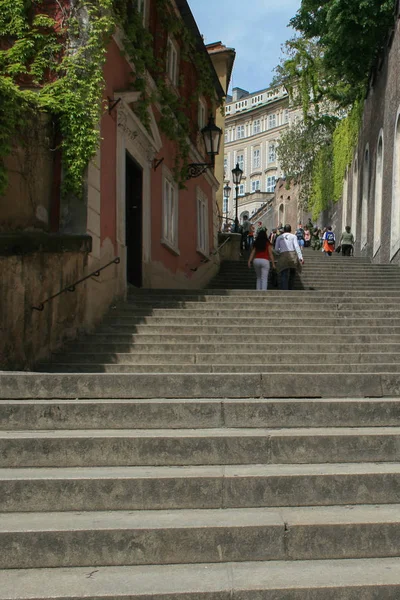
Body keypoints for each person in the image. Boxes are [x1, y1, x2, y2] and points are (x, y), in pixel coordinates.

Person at [275, 224, 304, 290]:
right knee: (292, 272)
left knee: (284, 273)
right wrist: (300, 257)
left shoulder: (279, 237)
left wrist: (281, 250)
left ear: (284, 230)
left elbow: (276, 249)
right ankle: (290, 288)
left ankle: (284, 289)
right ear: (290, 230)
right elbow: (297, 247)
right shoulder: (293, 236)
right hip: (292, 256)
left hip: (283, 256)